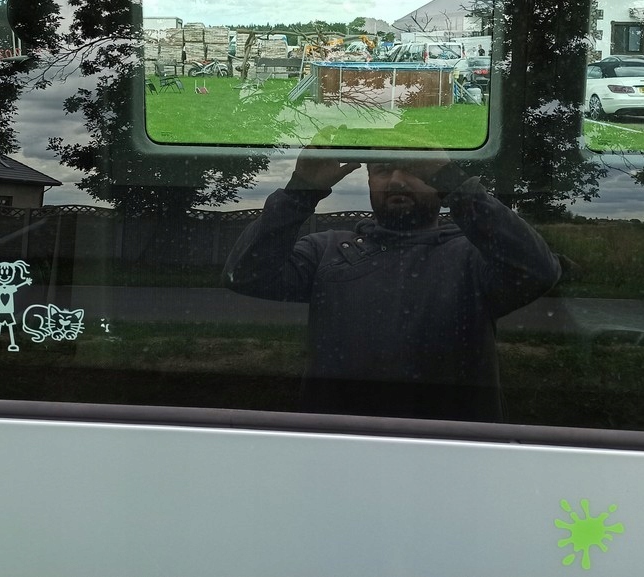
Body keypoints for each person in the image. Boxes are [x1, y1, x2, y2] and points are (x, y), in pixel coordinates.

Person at [224, 134, 560, 422]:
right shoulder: (327, 251)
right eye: (383, 170)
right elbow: (246, 275)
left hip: (453, 450)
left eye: (414, 169)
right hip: (338, 447)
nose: (397, 181)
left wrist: (455, 182)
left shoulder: (475, 257)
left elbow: (538, 270)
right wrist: (300, 191)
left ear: (439, 182)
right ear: (369, 181)